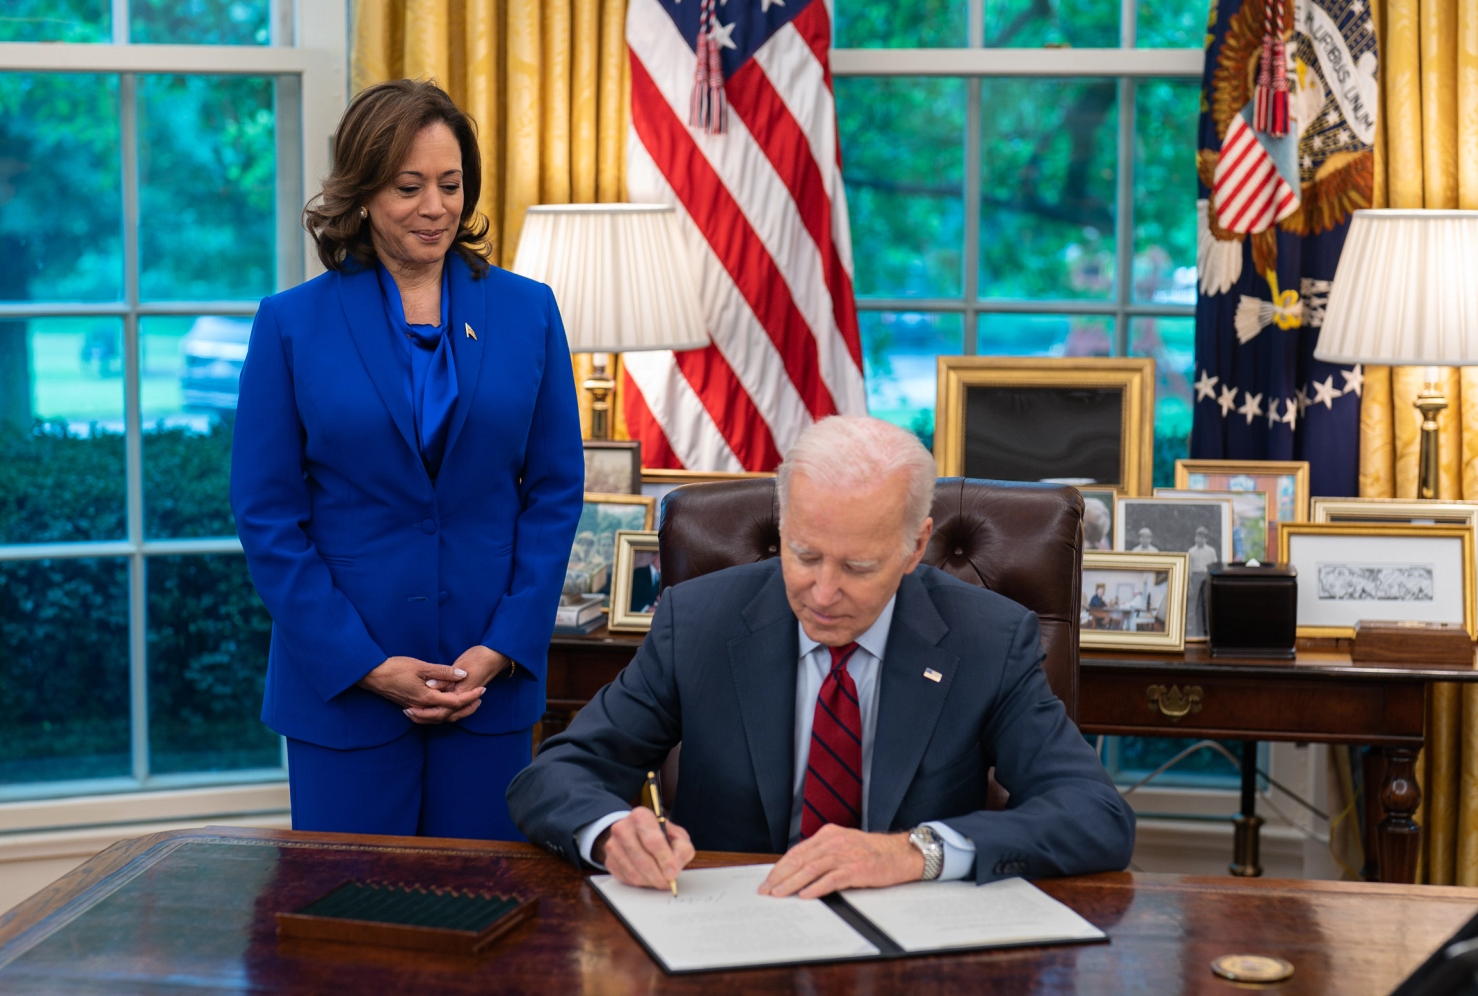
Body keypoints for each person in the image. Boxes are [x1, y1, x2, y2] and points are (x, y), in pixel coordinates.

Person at [507, 416, 1135, 896]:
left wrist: (917, 853)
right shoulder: (698, 622)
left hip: (912, 945)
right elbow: (557, 774)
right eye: (804, 555)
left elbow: (1094, 815)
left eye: (858, 567)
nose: (823, 592)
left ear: (916, 548)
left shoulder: (987, 639)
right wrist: (613, 831)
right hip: (730, 933)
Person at [230, 79, 584, 840]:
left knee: (489, 924)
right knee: (350, 928)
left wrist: (501, 647)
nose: (435, 207)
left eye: (451, 185)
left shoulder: (530, 312)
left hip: (488, 686)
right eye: (409, 186)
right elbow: (267, 518)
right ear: (360, 194)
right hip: (344, 690)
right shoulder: (290, 324)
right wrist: (365, 664)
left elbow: (555, 493)